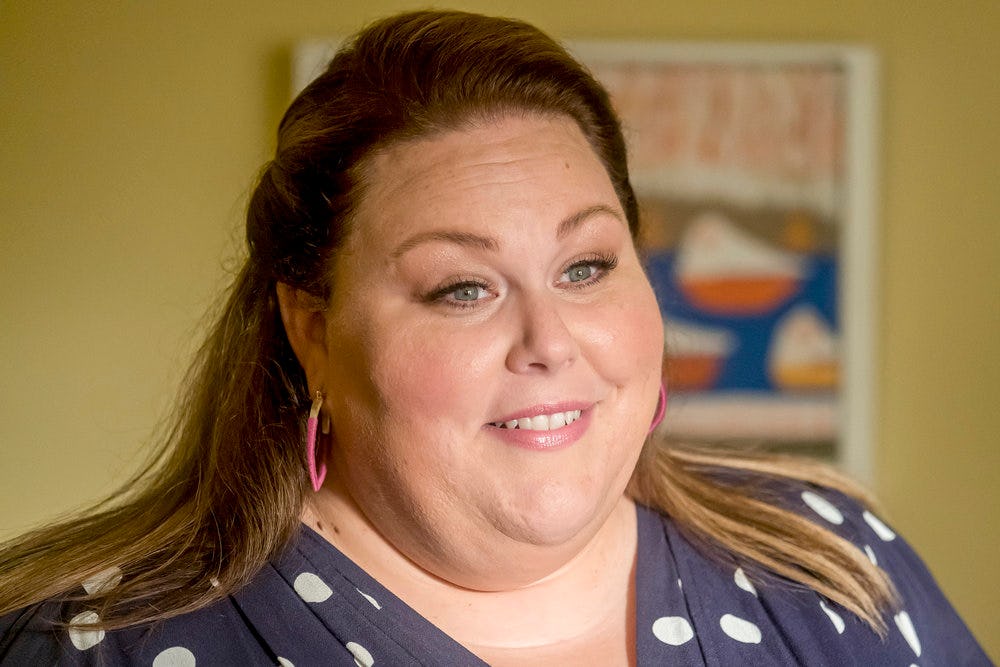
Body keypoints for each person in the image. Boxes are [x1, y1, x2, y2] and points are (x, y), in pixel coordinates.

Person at [0, 9, 989, 666]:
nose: (547, 339)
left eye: (586, 267)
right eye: (462, 288)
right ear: (312, 331)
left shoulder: (834, 564)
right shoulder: (90, 648)